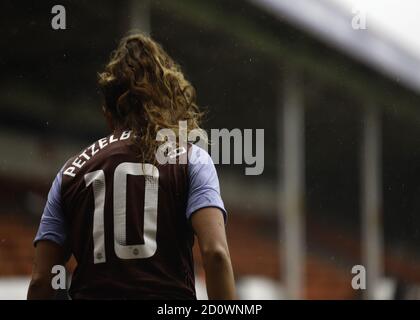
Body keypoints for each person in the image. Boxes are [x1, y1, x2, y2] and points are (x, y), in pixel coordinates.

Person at [27, 33, 235, 300]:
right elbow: (215, 254)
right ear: (167, 101)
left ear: (108, 112)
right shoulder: (191, 159)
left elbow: (42, 279)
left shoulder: (70, 172)